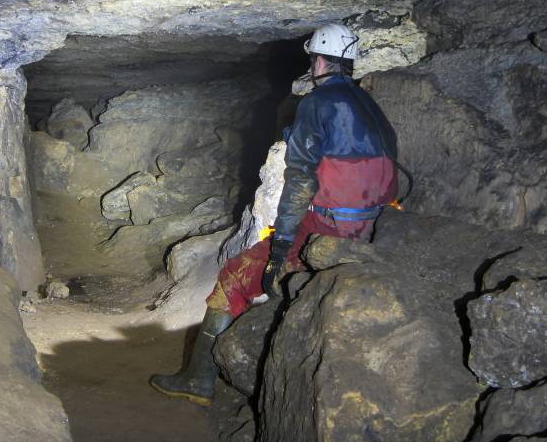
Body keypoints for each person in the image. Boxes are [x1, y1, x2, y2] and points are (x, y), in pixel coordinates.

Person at [149, 23, 400, 406]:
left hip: (330, 225)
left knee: (237, 273)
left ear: (318, 60)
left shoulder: (318, 103)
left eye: (313, 59)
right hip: (372, 223)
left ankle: (199, 380)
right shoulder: (369, 104)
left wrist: (281, 241)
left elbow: (300, 180)